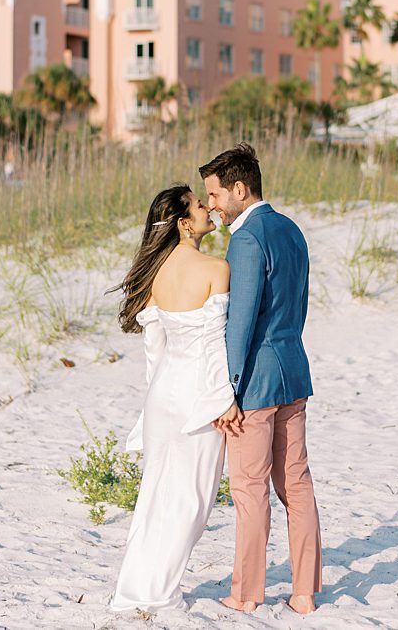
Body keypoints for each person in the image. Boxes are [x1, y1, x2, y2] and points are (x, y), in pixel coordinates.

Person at [200, 143, 322, 615]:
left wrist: (226, 388)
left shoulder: (247, 239)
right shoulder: (291, 230)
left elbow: (241, 320)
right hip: (294, 367)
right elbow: (300, 303)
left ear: (239, 188)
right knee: (296, 483)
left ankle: (247, 594)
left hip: (255, 382)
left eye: (214, 194)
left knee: (250, 489)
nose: (211, 204)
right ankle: (305, 591)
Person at [109, 185, 237, 612]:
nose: (207, 208)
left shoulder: (154, 272)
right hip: (196, 396)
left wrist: (152, 402)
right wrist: (224, 401)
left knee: (156, 494)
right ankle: (159, 592)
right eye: (200, 205)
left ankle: (134, 589)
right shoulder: (216, 269)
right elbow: (216, 347)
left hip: (163, 394)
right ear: (185, 223)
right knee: (192, 500)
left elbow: (154, 349)